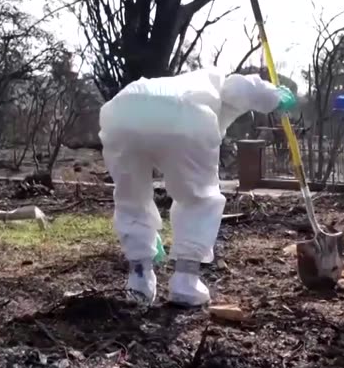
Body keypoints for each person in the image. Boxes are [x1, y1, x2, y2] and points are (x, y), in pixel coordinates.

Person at [99, 70, 297, 307]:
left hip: (121, 112)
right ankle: (186, 280)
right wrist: (274, 96)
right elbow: (239, 87)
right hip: (183, 114)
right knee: (198, 197)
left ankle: (139, 276)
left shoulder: (176, 83)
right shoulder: (212, 81)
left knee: (131, 195)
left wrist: (142, 240)